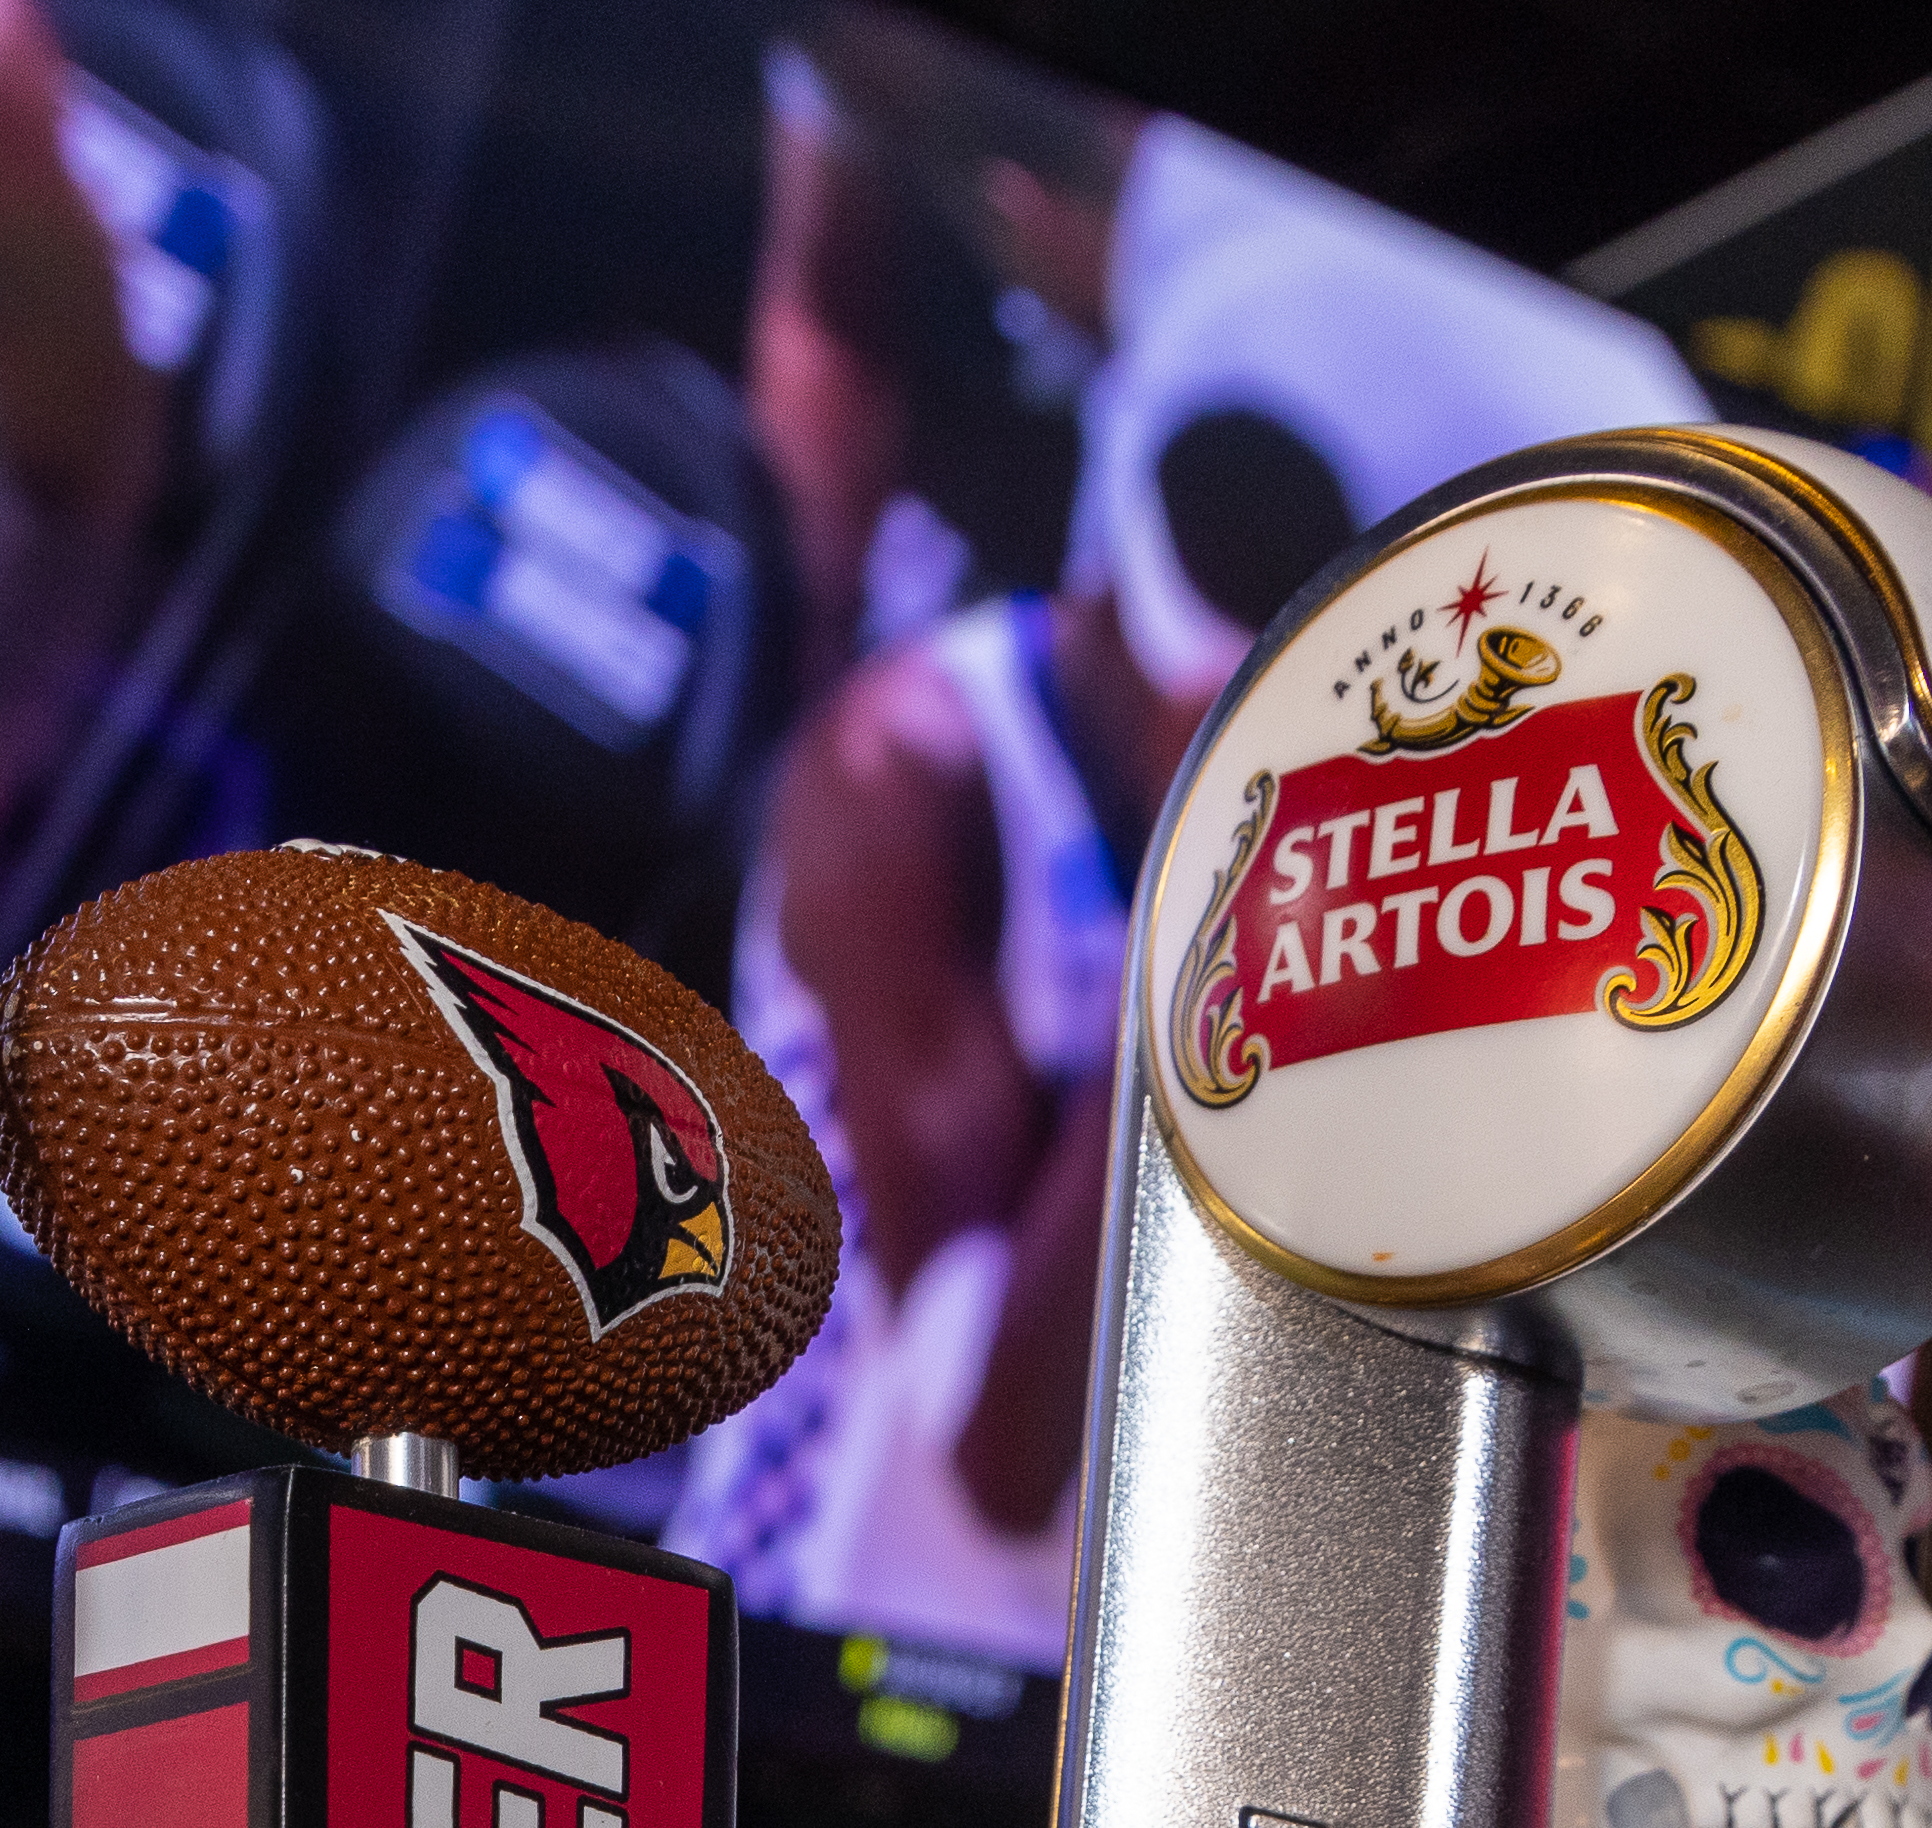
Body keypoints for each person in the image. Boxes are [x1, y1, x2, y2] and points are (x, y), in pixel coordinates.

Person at [673, 131, 1699, 1658]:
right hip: (808, 1646)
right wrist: (1232, 923)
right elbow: (996, 1467)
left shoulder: (1442, 875)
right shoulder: (914, 773)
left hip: (1164, 1724)